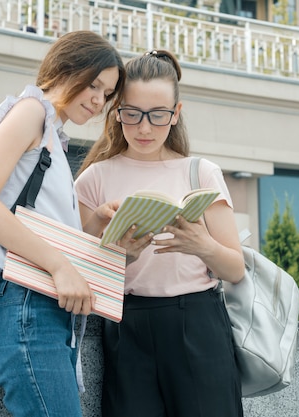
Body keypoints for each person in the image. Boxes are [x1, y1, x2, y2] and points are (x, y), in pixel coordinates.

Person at [0, 31, 125, 417]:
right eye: (93, 84)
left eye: (107, 93)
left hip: (42, 310)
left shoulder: (53, 135)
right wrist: (59, 265)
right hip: (24, 304)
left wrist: (95, 220)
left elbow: (33, 219)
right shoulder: (30, 111)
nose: (99, 100)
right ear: (66, 67)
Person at [75, 50, 246, 417]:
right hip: (126, 324)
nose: (144, 128)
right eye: (132, 114)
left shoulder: (200, 172)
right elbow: (76, 272)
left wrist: (202, 246)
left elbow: (235, 270)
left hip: (197, 320)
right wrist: (121, 256)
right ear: (116, 110)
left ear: (176, 114)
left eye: (158, 116)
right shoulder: (95, 179)